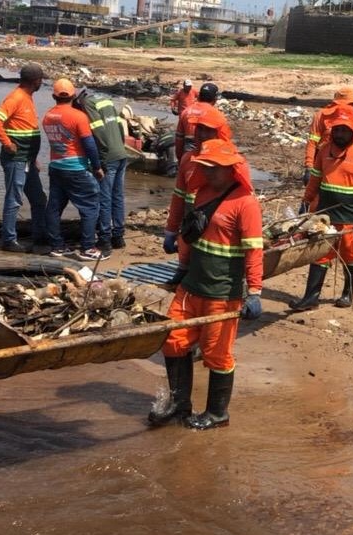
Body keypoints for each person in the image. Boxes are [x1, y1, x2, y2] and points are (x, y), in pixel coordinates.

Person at [148, 139, 264, 431]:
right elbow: (190, 236)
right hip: (191, 287)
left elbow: (254, 251)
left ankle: (217, 412)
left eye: (215, 169)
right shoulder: (200, 194)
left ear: (230, 169)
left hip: (221, 292)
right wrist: (182, 267)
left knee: (216, 354)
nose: (209, 173)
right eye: (206, 168)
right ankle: (178, 403)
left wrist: (255, 292)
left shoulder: (245, 203)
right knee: (173, 341)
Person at [290, 105, 353, 311]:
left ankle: (347, 295)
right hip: (324, 214)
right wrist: (306, 201)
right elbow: (315, 180)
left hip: (349, 213)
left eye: (344, 130)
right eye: (337, 129)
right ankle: (310, 298)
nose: (340, 133)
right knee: (320, 252)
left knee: (349, 252)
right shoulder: (324, 150)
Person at [163, 106, 238, 285]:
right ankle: (183, 268)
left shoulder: (232, 163)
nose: (202, 134)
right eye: (200, 128)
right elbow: (179, 197)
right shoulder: (188, 160)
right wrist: (171, 230)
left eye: (208, 130)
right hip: (191, 227)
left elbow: (241, 205)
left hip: (217, 234)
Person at [42, 78, 107, 261]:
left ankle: (56, 246)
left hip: (56, 166)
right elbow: (89, 144)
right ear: (73, 95)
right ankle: (87, 248)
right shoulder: (78, 116)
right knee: (90, 206)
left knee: (54, 207)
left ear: (54, 96)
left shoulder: (48, 116)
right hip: (76, 168)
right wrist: (97, 167)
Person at [0, 63, 48, 254]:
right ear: (35, 81)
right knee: (14, 199)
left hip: (27, 159)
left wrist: (34, 158)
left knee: (39, 198)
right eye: (41, 80)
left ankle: (39, 236)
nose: (42, 83)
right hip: (16, 160)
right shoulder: (16, 98)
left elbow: (26, 129)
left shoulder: (27, 97)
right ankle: (9, 240)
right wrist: (7, 143)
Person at [73, 89, 129, 257]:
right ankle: (118, 236)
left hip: (109, 157)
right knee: (117, 196)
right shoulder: (106, 100)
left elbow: (99, 131)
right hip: (121, 153)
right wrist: (120, 145)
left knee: (104, 198)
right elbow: (119, 126)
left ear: (78, 101)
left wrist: (101, 160)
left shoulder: (88, 104)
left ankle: (104, 239)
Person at [303, 87, 353, 187]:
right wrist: (309, 167)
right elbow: (313, 142)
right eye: (351, 103)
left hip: (345, 160)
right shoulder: (321, 116)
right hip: (323, 159)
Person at [174, 82, 231, 161]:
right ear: (214, 100)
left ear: (199, 97)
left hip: (188, 151)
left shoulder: (186, 112)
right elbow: (224, 141)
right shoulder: (218, 116)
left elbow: (179, 138)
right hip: (209, 153)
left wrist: (180, 159)